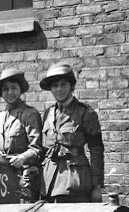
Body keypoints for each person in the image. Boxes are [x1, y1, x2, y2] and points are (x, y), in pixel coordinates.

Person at [39, 62, 104, 203]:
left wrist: (97, 185)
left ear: (71, 86)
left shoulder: (85, 112)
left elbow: (96, 149)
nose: (59, 89)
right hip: (49, 180)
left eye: (63, 84)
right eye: (55, 86)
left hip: (76, 180)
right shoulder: (48, 113)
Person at [0, 69, 43, 203]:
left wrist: (22, 158)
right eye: (5, 89)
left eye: (14, 88)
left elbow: (37, 150)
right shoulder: (0, 116)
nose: (10, 93)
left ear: (20, 90)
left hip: (24, 180)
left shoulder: (30, 114)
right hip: (2, 180)